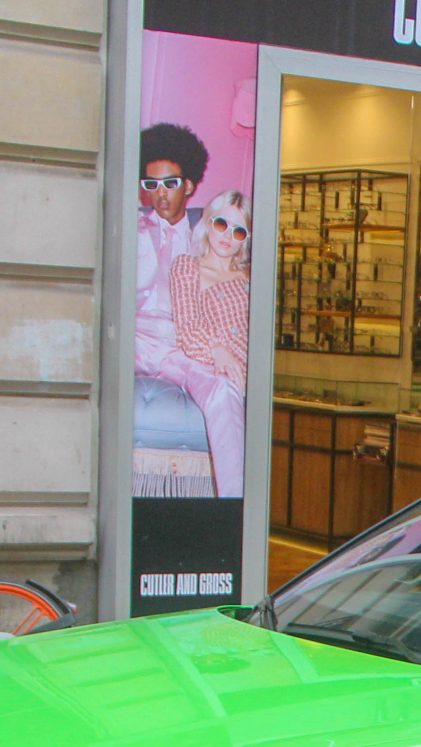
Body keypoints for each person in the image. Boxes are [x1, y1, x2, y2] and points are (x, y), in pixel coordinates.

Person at [134, 123, 248, 498]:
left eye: (169, 183)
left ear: (190, 185)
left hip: (178, 348)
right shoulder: (127, 227)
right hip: (130, 342)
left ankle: (234, 507)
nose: (160, 194)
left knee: (222, 390)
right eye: (150, 185)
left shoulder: (206, 239)